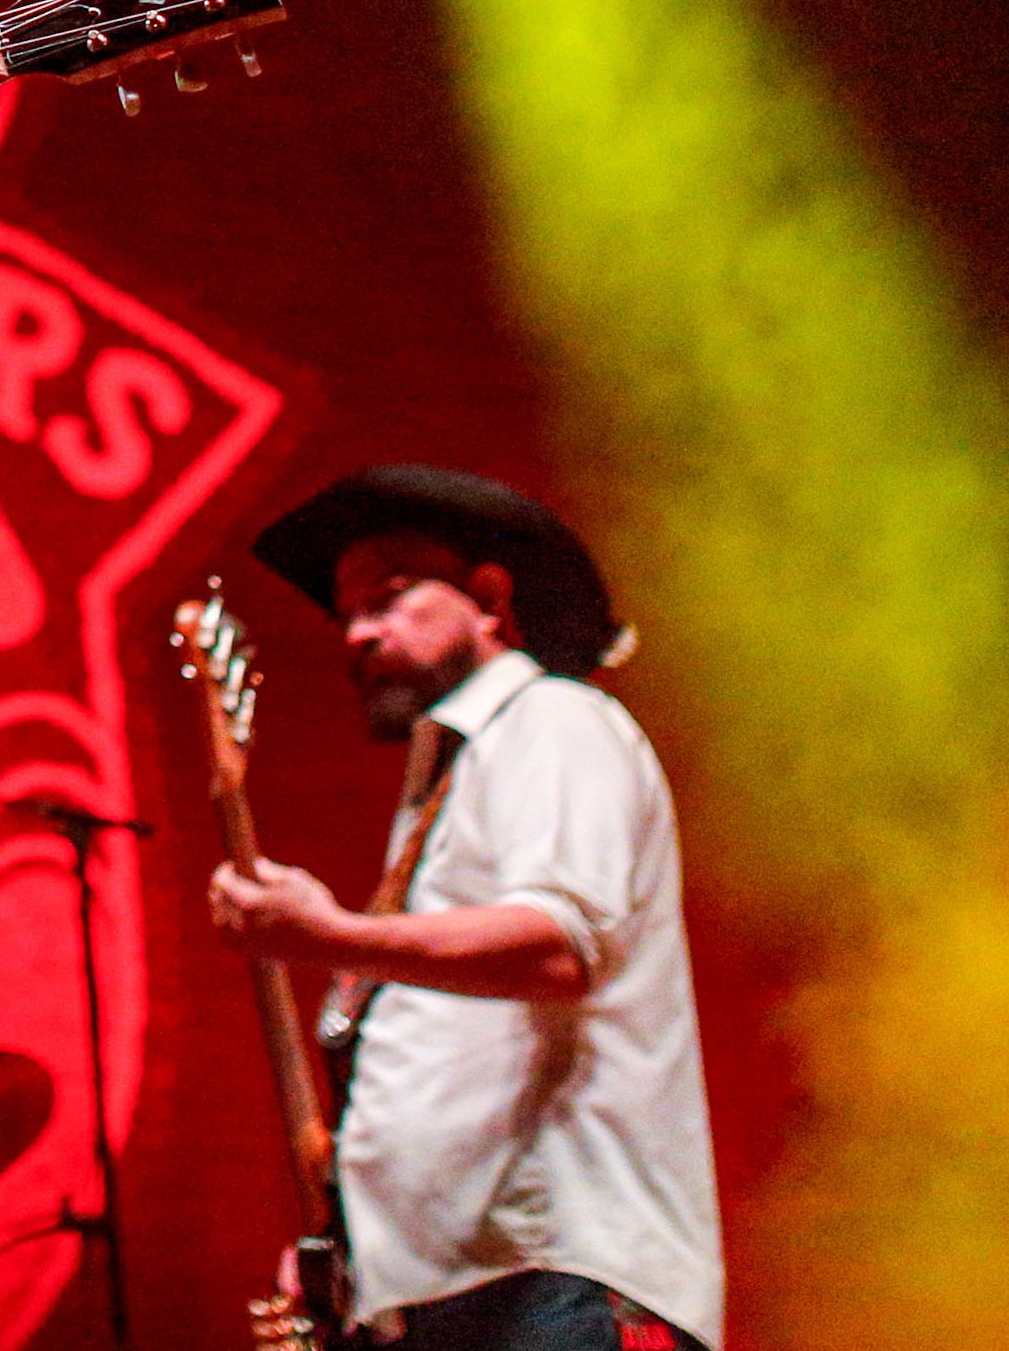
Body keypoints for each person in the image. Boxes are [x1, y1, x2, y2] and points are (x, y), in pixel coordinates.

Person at [208, 466, 723, 1351]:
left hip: (549, 1279)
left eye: (392, 597)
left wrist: (334, 934)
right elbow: (443, 1060)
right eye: (350, 614)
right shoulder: (449, 779)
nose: (361, 632)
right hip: (466, 1287)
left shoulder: (554, 721)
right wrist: (356, 1248)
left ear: (488, 597)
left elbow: (561, 947)